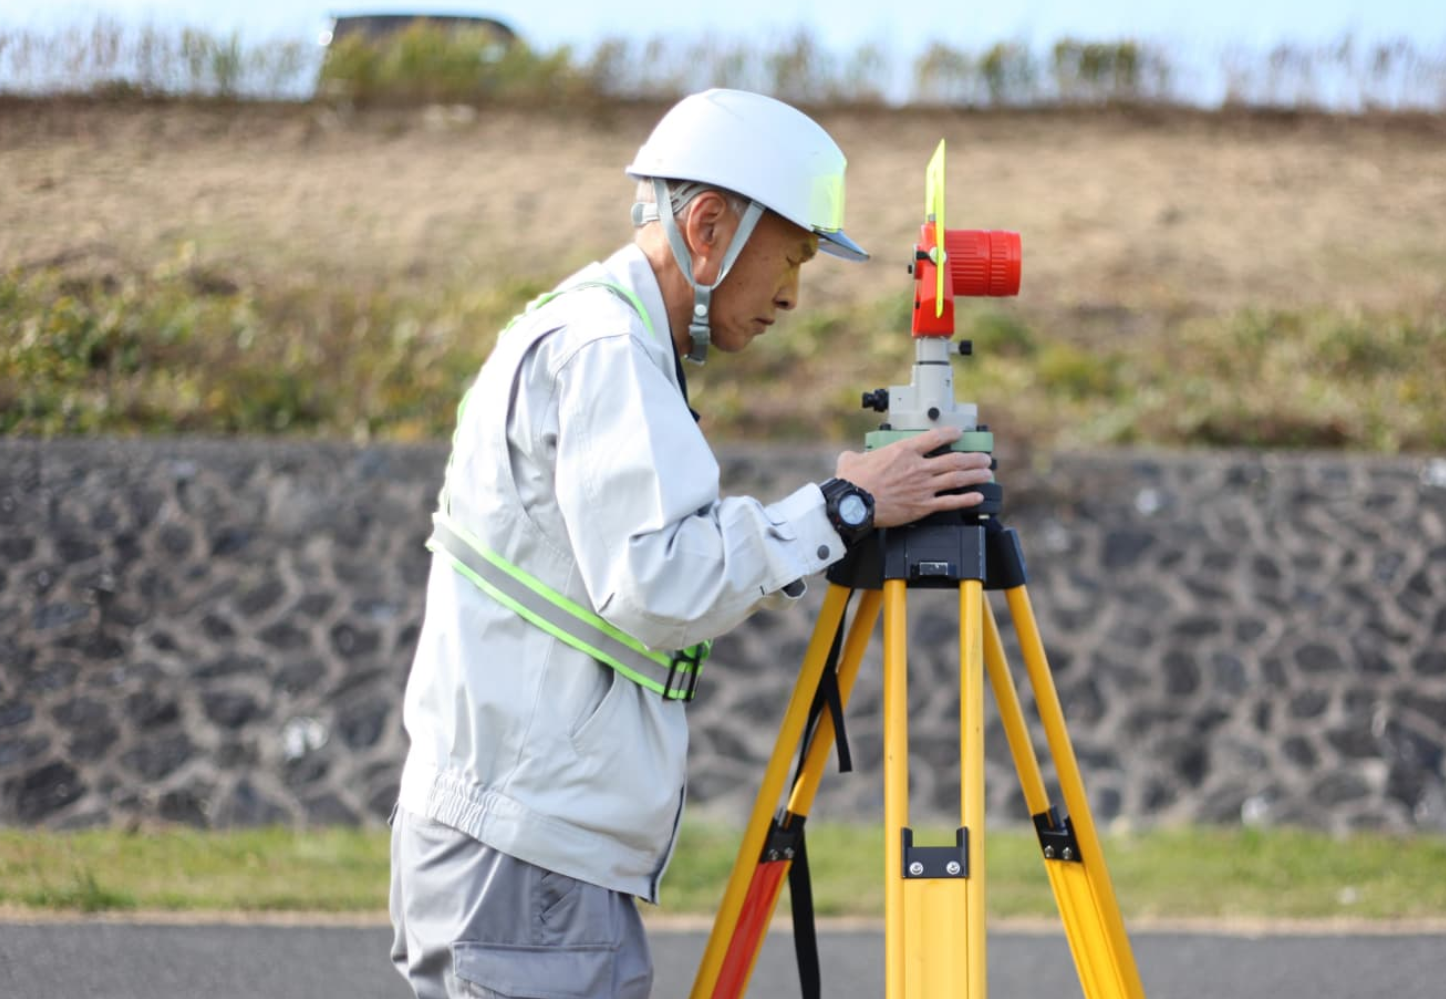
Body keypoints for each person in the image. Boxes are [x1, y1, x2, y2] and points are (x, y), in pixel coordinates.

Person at [388, 88, 995, 998]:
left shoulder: (582, 329)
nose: (793, 295)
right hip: (526, 860)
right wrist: (844, 508)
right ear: (708, 225)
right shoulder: (606, 351)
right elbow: (656, 584)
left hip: (513, 847)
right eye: (789, 258)